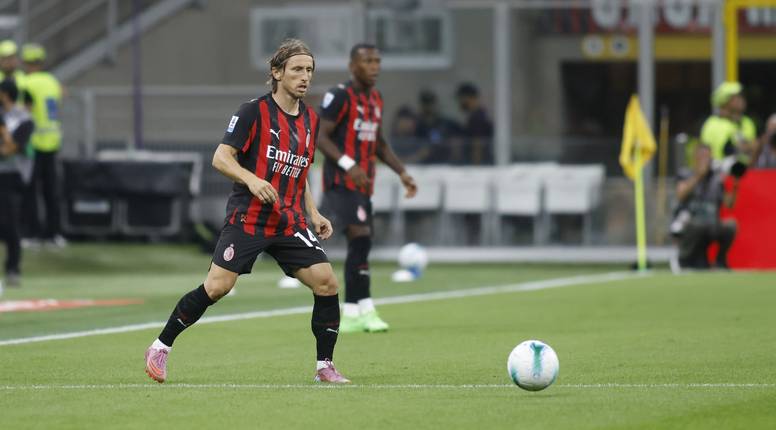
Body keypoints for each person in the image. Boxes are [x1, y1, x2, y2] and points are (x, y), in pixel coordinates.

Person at [144, 39, 350, 384]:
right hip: (249, 218)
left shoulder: (311, 120)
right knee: (217, 287)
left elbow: (299, 172)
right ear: (277, 72)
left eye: (309, 70)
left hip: (288, 221)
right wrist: (252, 180)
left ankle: (324, 366)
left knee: (327, 282)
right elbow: (221, 157)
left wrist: (313, 213)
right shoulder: (253, 112)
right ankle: (160, 347)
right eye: (297, 69)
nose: (305, 77)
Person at [317, 43, 417, 333]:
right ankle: (365, 310)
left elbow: (379, 143)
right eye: (367, 61)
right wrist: (349, 164)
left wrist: (402, 173)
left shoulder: (375, 98)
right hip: (341, 183)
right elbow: (320, 137)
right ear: (352, 66)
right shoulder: (339, 95)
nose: (374, 67)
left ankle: (352, 312)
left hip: (363, 185)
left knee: (361, 243)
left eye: (377, 61)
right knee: (360, 238)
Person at [20, 43, 65, 247]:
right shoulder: (52, 81)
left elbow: (23, 111)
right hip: (53, 142)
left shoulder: (26, 82)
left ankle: (32, 233)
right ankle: (53, 233)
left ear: (26, 62)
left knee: (30, 190)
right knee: (51, 191)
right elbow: (60, 98)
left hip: (33, 144)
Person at [672, 144, 738, 270]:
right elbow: (680, 195)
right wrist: (698, 176)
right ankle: (683, 258)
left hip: (712, 223)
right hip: (690, 222)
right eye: (702, 156)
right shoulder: (686, 173)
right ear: (695, 157)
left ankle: (720, 260)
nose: (706, 160)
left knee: (731, 225)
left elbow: (729, 204)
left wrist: (735, 184)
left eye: (708, 157)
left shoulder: (716, 178)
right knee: (698, 225)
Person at [0, 79, 34, 288]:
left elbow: (12, 148)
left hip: (13, 175)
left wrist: (4, 133)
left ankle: (13, 269)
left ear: (5, 94)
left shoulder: (23, 118)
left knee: (11, 222)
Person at [699, 81, 757, 162]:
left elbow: (754, 150)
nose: (742, 99)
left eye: (742, 96)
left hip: (748, 169)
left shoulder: (747, 122)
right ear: (724, 100)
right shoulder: (712, 124)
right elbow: (727, 150)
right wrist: (748, 147)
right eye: (737, 96)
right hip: (719, 169)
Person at [412, 89, 461, 164]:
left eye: (430, 103)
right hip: (424, 165)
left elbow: (459, 140)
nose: (428, 107)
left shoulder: (447, 124)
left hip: (446, 164)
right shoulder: (418, 126)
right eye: (425, 104)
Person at [455, 82, 493, 165]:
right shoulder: (477, 116)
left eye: (461, 98)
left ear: (468, 98)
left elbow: (478, 145)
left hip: (479, 166)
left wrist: (475, 167)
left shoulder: (477, 118)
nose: (459, 102)